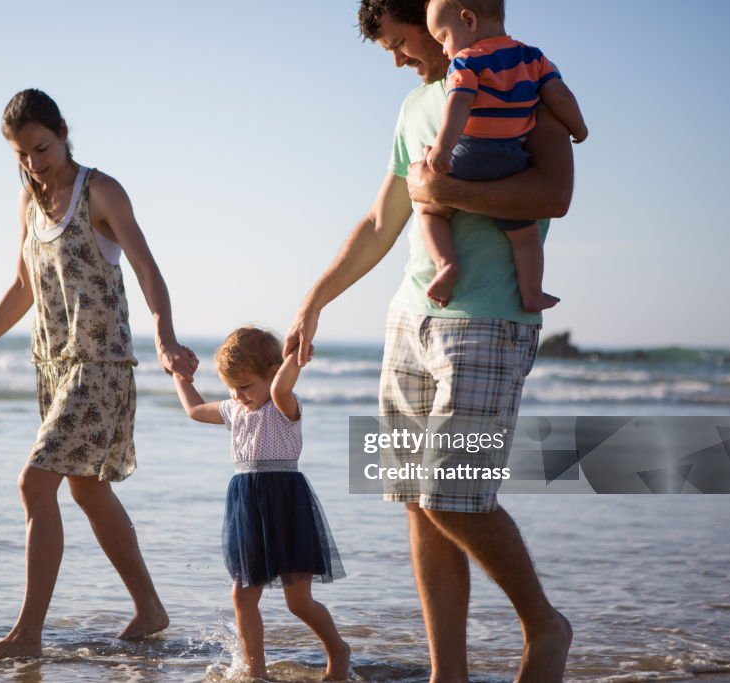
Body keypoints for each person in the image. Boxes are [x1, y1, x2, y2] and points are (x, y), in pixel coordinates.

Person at [284, 2, 574, 681]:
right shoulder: (415, 106)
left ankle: (544, 623)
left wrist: (444, 188)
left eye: (399, 41)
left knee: (449, 489)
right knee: (416, 497)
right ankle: (450, 673)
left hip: (490, 319)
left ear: (439, 18)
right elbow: (383, 220)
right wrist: (314, 300)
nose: (396, 58)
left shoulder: (524, 79)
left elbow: (554, 192)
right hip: (409, 318)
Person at [0, 88, 198, 659]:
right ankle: (150, 609)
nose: (35, 162)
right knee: (87, 489)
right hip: (54, 368)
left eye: (42, 147)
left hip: (100, 365)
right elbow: (24, 286)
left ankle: (26, 635)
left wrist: (165, 336)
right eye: (23, 155)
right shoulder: (29, 204)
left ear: (62, 131)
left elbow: (147, 269)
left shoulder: (100, 191)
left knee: (34, 483)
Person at [173, 327, 350, 681]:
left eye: (245, 386)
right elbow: (193, 409)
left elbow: (281, 384)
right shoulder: (234, 410)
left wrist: (293, 358)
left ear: (270, 373)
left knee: (298, 601)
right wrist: (181, 376)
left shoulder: (283, 404)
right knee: (242, 594)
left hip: (286, 503)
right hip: (247, 506)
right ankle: (255, 671)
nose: (238, 396)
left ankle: (339, 651)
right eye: (231, 388)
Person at [419, 0, 588, 312]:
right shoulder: (533, 58)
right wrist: (579, 128)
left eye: (443, 38)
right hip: (512, 160)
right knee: (525, 235)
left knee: (430, 210)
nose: (444, 50)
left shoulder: (466, 62)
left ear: (468, 21)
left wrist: (442, 149)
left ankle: (446, 265)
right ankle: (532, 293)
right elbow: (560, 96)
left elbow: (459, 107)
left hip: (470, 154)